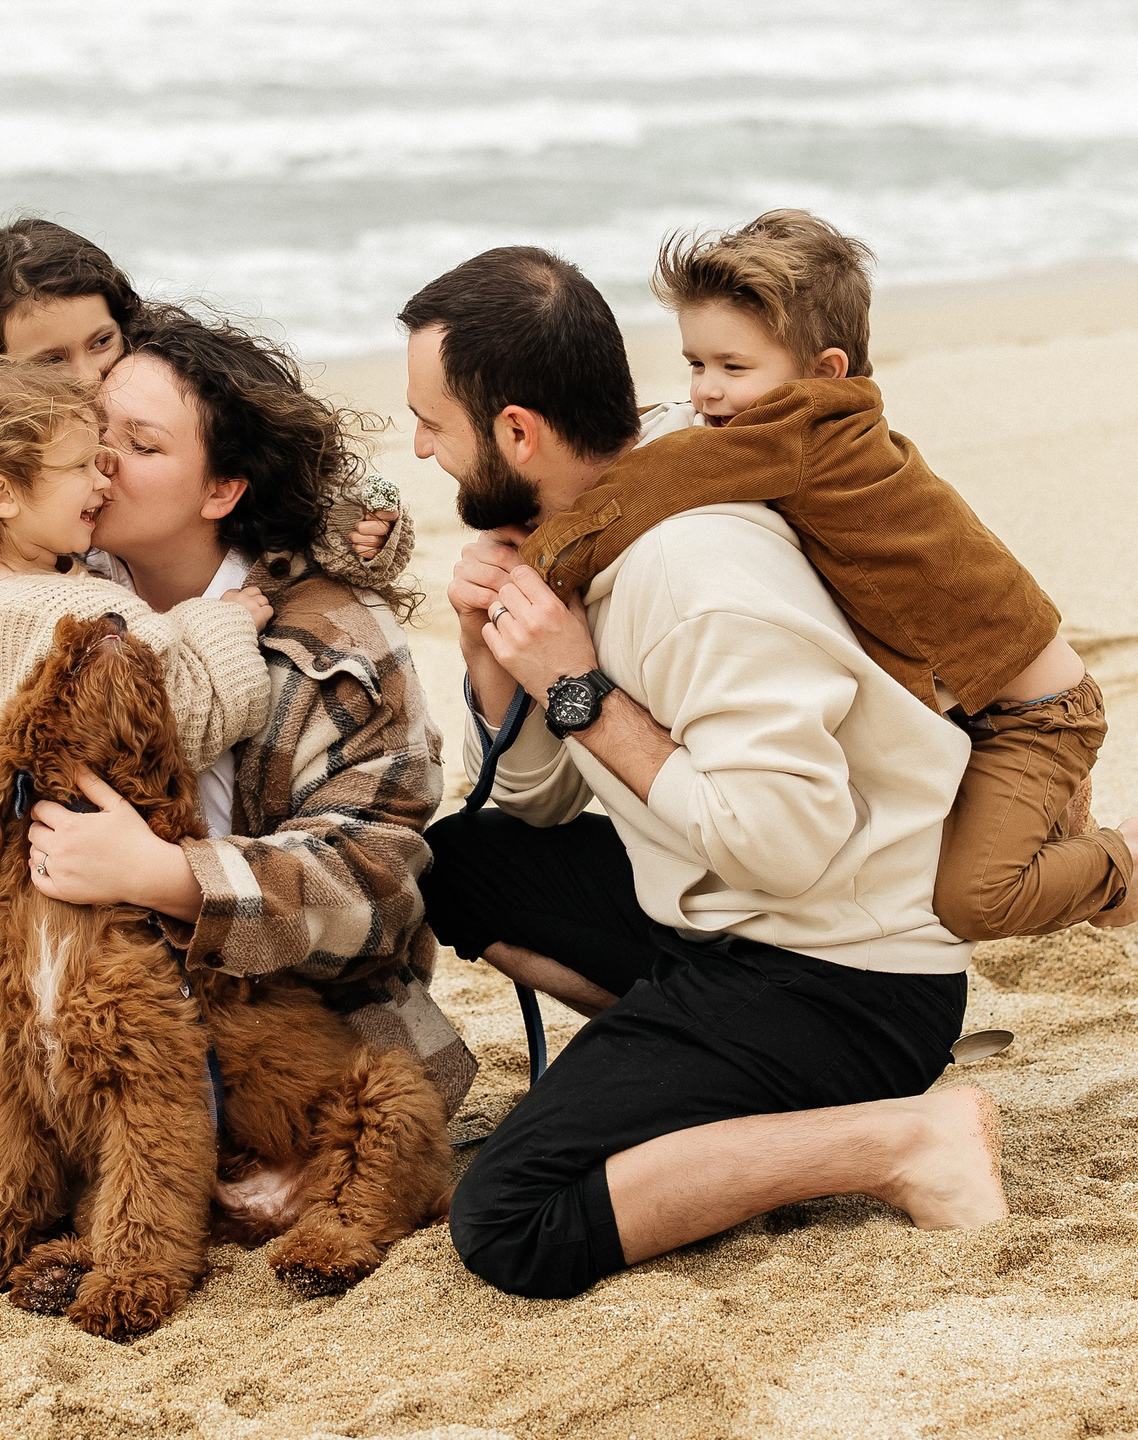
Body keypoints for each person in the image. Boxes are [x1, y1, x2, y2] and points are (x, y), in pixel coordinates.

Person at [0, 303, 469, 1265]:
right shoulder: (24, 582)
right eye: (94, 437)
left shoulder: (326, 637)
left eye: (141, 446)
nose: (102, 465)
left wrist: (164, 875)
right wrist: (5, 800)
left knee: (242, 1090)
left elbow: (376, 872)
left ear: (223, 487)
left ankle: (134, 1187)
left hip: (262, 999)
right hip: (57, 959)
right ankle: (53, 1179)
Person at [405, 246, 1007, 1301]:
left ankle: (901, 1137)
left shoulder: (692, 572)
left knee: (509, 1223)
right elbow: (531, 803)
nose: (418, 448)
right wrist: (490, 651)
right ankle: (688, 1076)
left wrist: (582, 688)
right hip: (715, 925)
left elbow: (783, 844)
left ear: (515, 433)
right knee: (456, 861)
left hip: (841, 976)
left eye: (433, 424)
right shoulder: (588, 531)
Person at [518, 209, 1138, 938]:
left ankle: (1122, 865)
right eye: (695, 363)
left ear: (824, 374)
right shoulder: (814, 429)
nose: (704, 394)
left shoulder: (799, 436)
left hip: (1034, 717)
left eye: (733, 368)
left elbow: (659, 479)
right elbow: (674, 448)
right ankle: (1060, 822)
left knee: (972, 902)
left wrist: (543, 561)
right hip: (969, 699)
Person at [0, 214, 405, 569]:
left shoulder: (161, 374)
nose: (87, 377)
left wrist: (363, 523)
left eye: (101, 342)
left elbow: (290, 463)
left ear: (123, 323)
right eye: (51, 362)